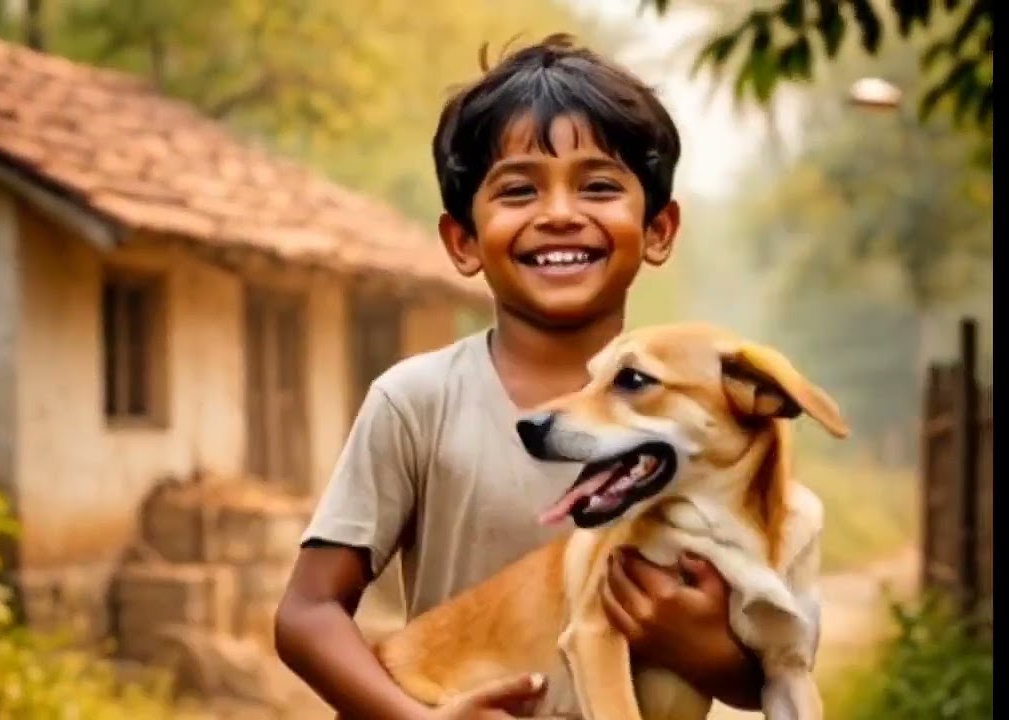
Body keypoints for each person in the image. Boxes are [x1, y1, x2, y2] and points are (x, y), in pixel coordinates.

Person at [274, 34, 766, 720]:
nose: (559, 213)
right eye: (517, 190)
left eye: (598, 185)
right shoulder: (417, 401)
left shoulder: (700, 414)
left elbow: (763, 665)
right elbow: (308, 612)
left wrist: (703, 649)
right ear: (463, 241)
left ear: (658, 228)